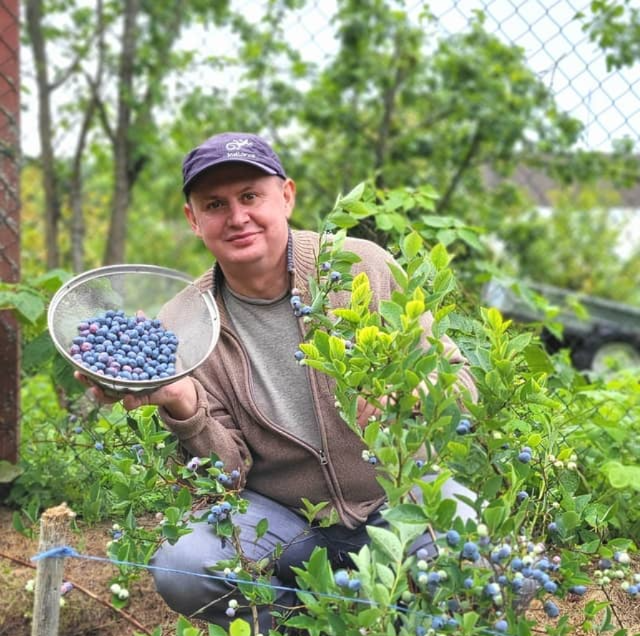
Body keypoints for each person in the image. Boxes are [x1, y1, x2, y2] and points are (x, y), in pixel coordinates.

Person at [78, 132, 478, 631]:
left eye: (250, 196)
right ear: (193, 220)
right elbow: (226, 474)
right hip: (286, 522)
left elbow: (461, 383)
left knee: (481, 563)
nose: (237, 217)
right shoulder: (183, 323)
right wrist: (182, 401)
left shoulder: (359, 268)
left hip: (396, 498)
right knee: (185, 567)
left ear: (286, 196)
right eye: (215, 204)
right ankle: (300, 625)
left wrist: (410, 392)